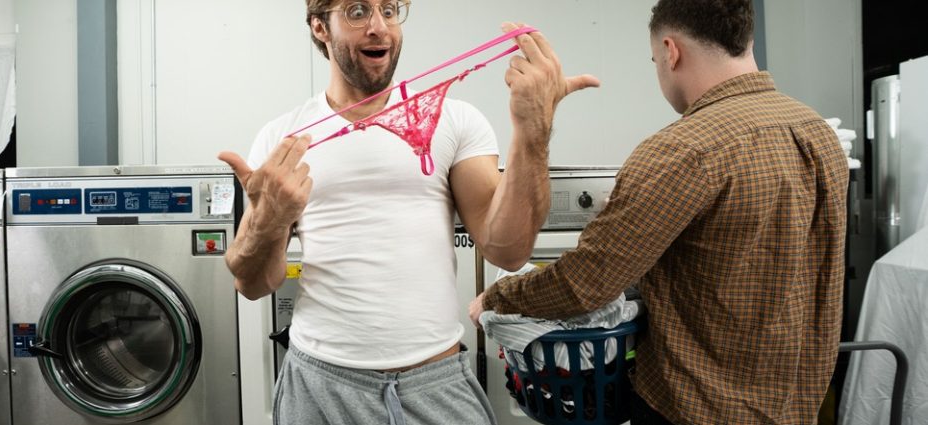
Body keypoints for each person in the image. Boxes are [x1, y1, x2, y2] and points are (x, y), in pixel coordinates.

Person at [217, 1, 599, 424]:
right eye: (358, 11)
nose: (379, 27)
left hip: (436, 384)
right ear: (320, 27)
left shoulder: (456, 120)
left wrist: (533, 130)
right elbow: (253, 284)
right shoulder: (282, 139)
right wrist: (268, 221)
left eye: (389, 9)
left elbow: (507, 251)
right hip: (320, 386)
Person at [469, 0, 848, 424]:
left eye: (654, 61)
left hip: (697, 410)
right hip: (797, 407)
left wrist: (498, 297)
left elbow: (585, 284)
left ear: (671, 51)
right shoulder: (818, 134)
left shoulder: (683, 150)